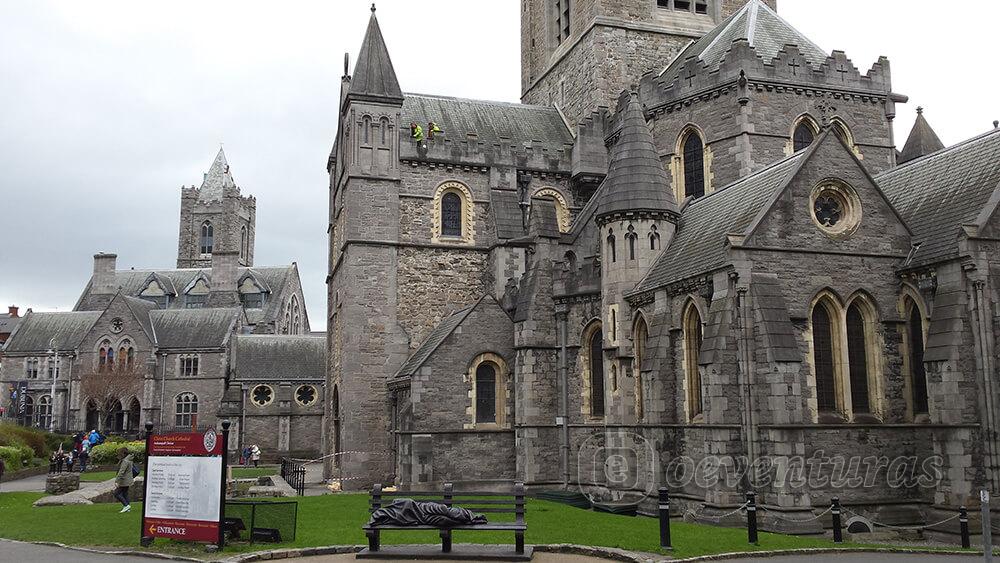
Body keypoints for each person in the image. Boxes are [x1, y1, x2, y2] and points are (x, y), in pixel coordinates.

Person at [113, 447, 135, 513]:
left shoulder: (125, 461)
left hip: (124, 480)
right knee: (125, 493)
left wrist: (117, 481)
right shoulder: (129, 459)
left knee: (116, 493)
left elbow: (121, 471)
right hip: (128, 479)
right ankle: (127, 507)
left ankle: (126, 505)